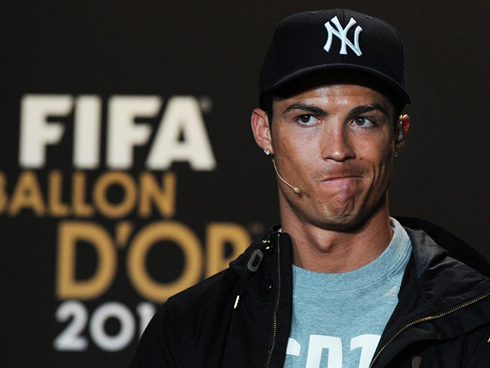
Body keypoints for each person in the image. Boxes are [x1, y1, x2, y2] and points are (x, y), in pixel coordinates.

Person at [130, 9, 490, 368]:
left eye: (363, 120)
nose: (337, 149)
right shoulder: (192, 327)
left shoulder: (477, 315)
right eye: (307, 119)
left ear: (398, 134)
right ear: (264, 132)